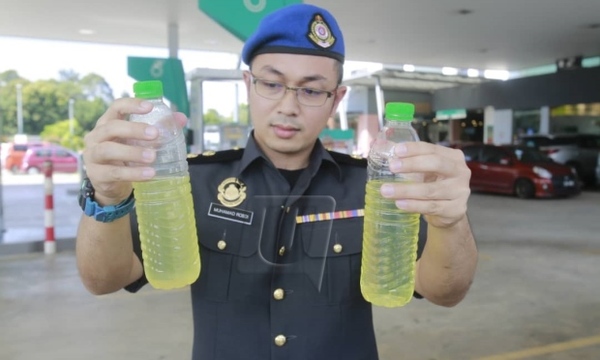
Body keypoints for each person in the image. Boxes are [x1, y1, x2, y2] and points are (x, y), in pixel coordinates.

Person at [76, 4, 478, 360]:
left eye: (312, 90)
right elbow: (105, 279)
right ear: (248, 85)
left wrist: (451, 222)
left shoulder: (375, 186)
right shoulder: (193, 180)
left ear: (336, 100)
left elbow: (444, 291)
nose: (288, 106)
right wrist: (107, 197)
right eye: (271, 84)